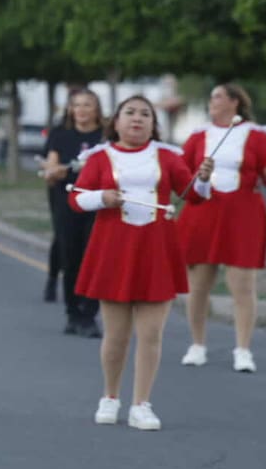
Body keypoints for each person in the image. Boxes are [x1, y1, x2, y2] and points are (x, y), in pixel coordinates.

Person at [69, 95, 213, 431]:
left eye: (145, 114)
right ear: (116, 122)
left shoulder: (167, 156)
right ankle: (110, 396)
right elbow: (76, 198)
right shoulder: (100, 158)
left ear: (153, 123)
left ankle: (141, 404)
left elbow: (193, 195)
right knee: (116, 335)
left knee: (151, 334)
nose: (137, 119)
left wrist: (203, 177)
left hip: (157, 250)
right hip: (113, 250)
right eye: (130, 113)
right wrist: (101, 197)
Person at [177, 85, 266, 374]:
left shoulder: (256, 135)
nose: (212, 102)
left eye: (217, 97)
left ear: (234, 103)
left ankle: (243, 349)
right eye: (211, 97)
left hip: (243, 216)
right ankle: (197, 345)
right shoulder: (199, 136)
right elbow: (181, 174)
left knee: (243, 286)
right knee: (198, 286)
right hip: (203, 213)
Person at [42, 89, 105, 337]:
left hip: (98, 202)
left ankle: (89, 313)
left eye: (87, 105)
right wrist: (55, 171)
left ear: (96, 109)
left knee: (94, 256)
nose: (81, 110)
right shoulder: (60, 134)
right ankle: (72, 312)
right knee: (71, 256)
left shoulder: (106, 136)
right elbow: (51, 168)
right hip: (66, 201)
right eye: (76, 105)